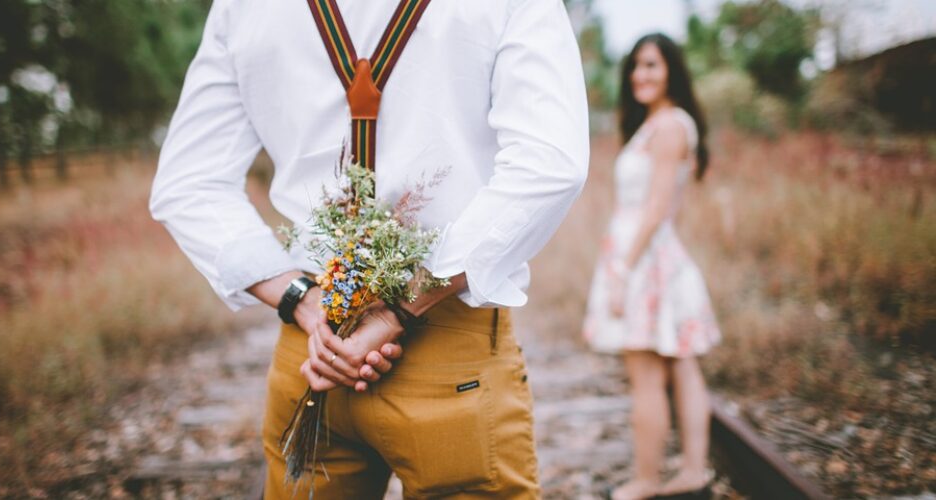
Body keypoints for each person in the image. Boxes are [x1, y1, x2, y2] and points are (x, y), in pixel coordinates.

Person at [149, 0, 589, 497]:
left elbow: (187, 183)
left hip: (314, 354)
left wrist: (304, 300)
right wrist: (402, 305)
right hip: (447, 351)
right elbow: (551, 164)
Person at [581, 33, 722, 500]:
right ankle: (693, 472)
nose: (640, 75)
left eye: (651, 65)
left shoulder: (668, 127)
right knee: (681, 365)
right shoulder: (662, 123)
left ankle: (646, 480)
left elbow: (658, 207)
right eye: (636, 67)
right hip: (652, 254)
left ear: (671, 71)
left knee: (647, 374)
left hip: (644, 259)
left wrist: (624, 268)